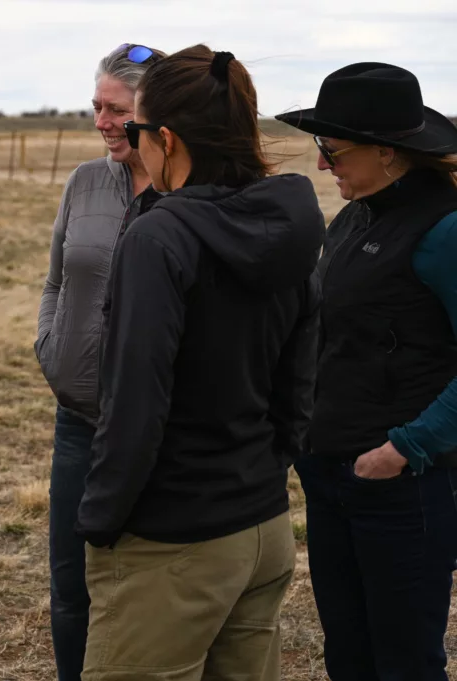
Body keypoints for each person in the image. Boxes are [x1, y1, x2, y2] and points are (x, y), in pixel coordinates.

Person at [75, 45, 324, 680]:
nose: (131, 143)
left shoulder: (159, 236)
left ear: (166, 139)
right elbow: (300, 374)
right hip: (262, 527)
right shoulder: (291, 221)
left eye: (135, 131)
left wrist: (101, 517)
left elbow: (137, 397)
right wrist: (269, 469)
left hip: (172, 540)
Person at [276, 63, 457, 681]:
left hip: (403, 488)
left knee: (404, 662)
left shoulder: (445, 229)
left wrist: (408, 447)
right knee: (349, 655)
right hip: (333, 475)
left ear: (389, 152)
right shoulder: (354, 216)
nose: (323, 165)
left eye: (333, 150)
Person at [34, 42, 165, 681]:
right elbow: (58, 279)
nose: (103, 122)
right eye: (96, 107)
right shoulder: (85, 182)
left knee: (147, 587)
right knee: (70, 587)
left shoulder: (188, 193)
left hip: (160, 430)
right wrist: (51, 349)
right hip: (78, 422)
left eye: (117, 109)